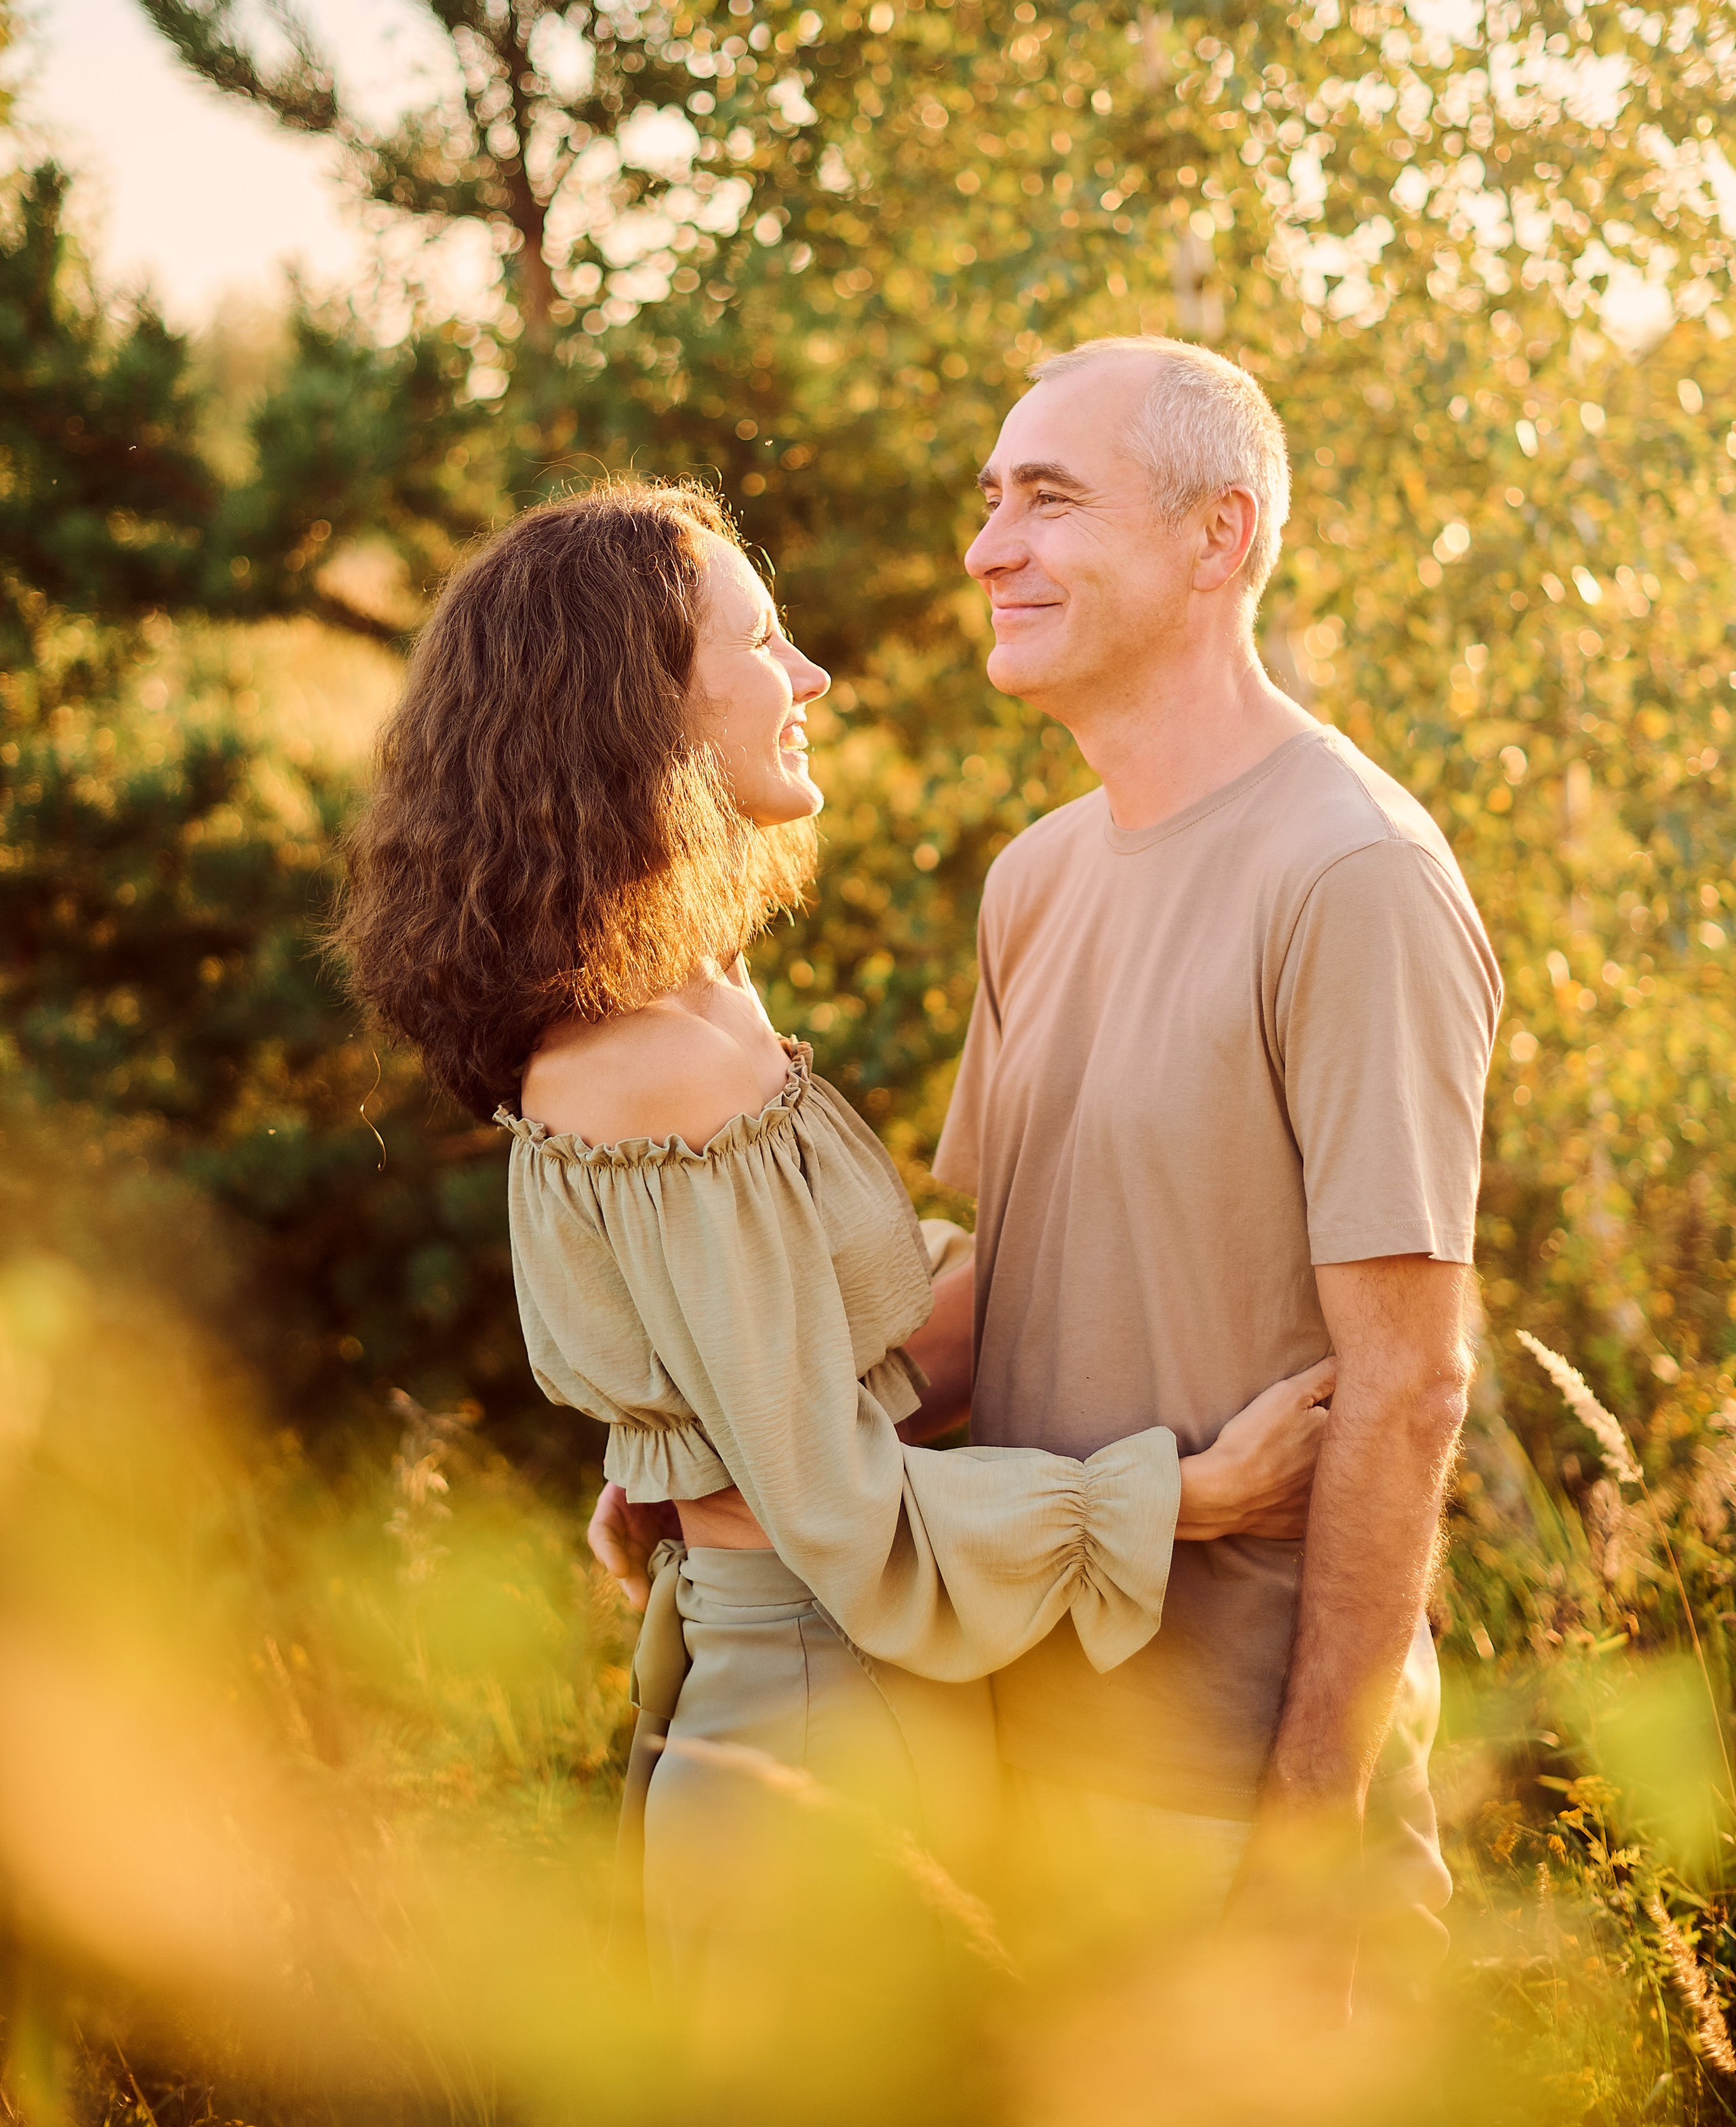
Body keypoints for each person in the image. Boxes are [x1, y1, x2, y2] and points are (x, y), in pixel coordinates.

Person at [334, 477, 1333, 1974]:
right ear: (642, 708)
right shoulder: (652, 1062)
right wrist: (1186, 1498)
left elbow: (828, 1354)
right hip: (821, 1740)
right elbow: (846, 1516)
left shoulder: (698, 1001)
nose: (809, 676)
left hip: (851, 1704)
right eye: (762, 638)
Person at [929, 336, 1502, 2002]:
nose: (987, 549)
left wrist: (1304, 1833)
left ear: (1216, 538)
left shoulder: (1352, 876)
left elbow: (1406, 1386)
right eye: (988, 501)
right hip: (1011, 1763)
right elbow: (1003, 1283)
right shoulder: (1031, 881)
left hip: (1231, 1805)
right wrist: (729, 1436)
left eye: (1047, 499)